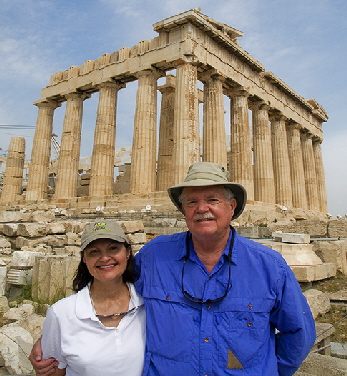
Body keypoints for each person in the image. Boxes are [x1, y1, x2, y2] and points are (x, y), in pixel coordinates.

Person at [31, 162, 315, 376]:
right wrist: (57, 330)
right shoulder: (155, 256)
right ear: (183, 211)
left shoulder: (268, 265)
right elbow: (113, 290)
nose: (202, 208)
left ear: (232, 206)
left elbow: (298, 334)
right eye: (192, 201)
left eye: (212, 200)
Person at [36, 220, 145, 376]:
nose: (105, 258)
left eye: (113, 248)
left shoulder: (149, 304)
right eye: (94, 251)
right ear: (84, 259)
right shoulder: (61, 313)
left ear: (128, 253)